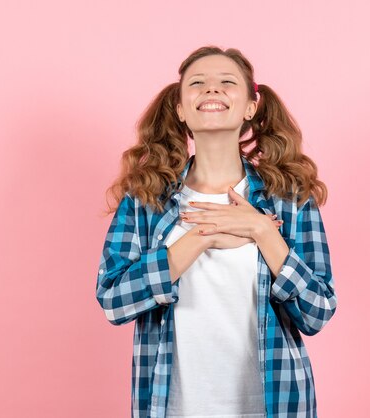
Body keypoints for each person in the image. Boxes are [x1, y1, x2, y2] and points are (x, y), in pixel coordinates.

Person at [95, 45, 337, 418]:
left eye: (226, 82)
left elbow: (317, 312)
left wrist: (261, 230)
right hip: (171, 406)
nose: (211, 90)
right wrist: (201, 235)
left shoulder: (289, 197)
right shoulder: (145, 198)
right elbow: (113, 301)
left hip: (273, 404)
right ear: (180, 108)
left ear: (250, 107)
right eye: (197, 83)